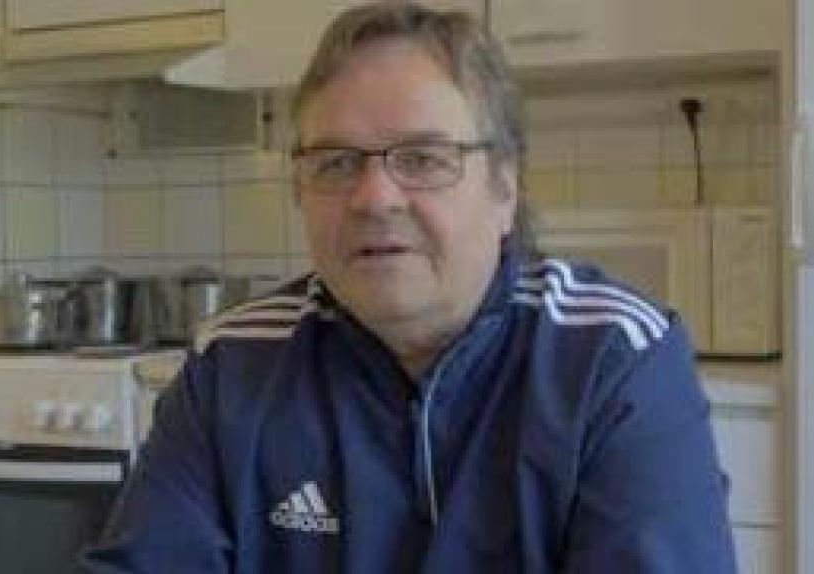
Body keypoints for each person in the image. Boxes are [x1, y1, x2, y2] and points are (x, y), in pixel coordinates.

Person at [81, 2, 737, 572]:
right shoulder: (233, 365)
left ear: (504, 186)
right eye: (336, 162)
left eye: (422, 159)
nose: (373, 197)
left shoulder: (611, 360)